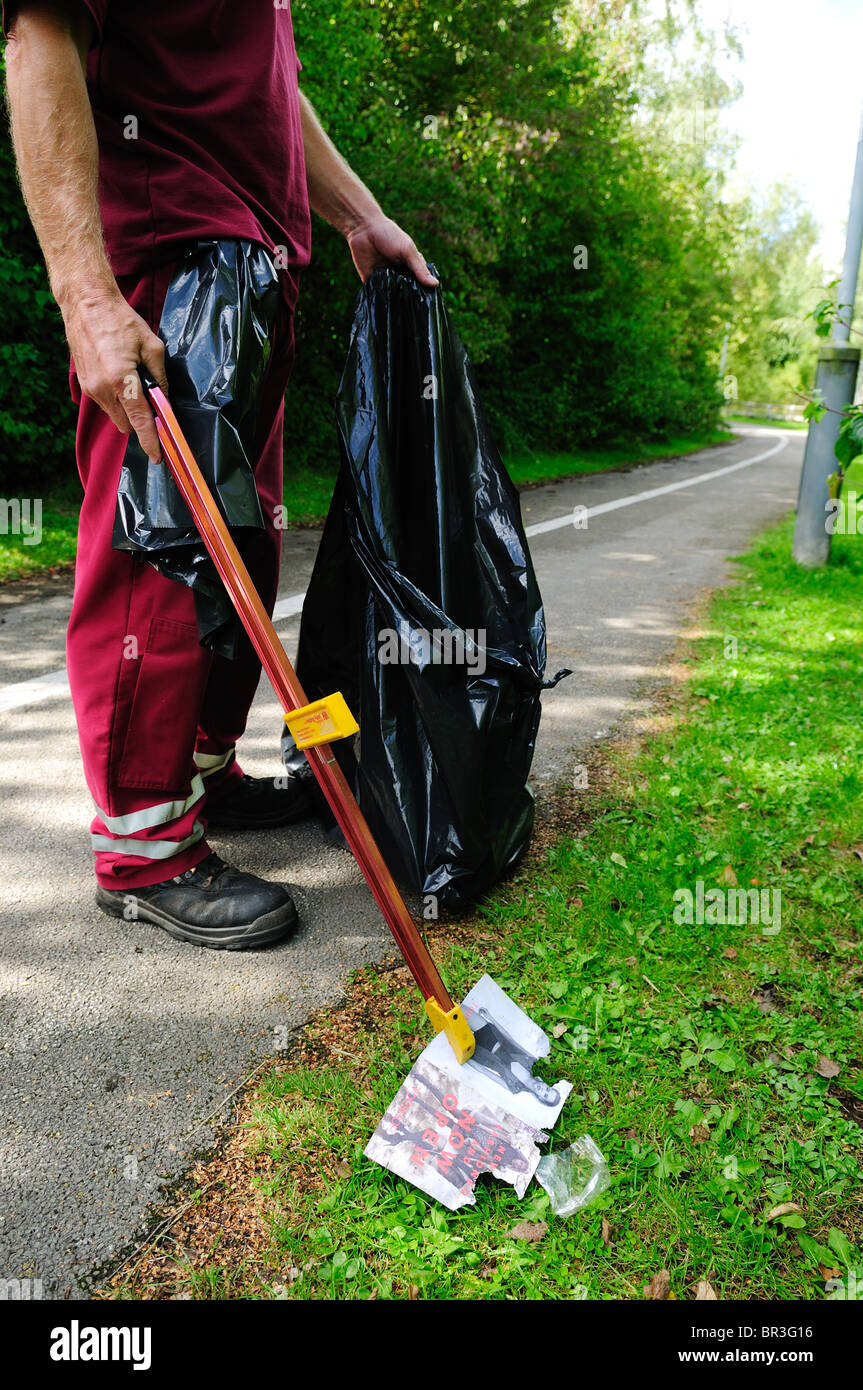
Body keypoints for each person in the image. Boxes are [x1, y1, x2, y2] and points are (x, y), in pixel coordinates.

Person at [4, 0, 438, 949]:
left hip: (252, 275)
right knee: (159, 562)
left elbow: (273, 90)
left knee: (243, 552)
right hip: (172, 269)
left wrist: (363, 218)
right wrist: (86, 298)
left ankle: (202, 776)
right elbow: (39, 36)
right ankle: (143, 847)